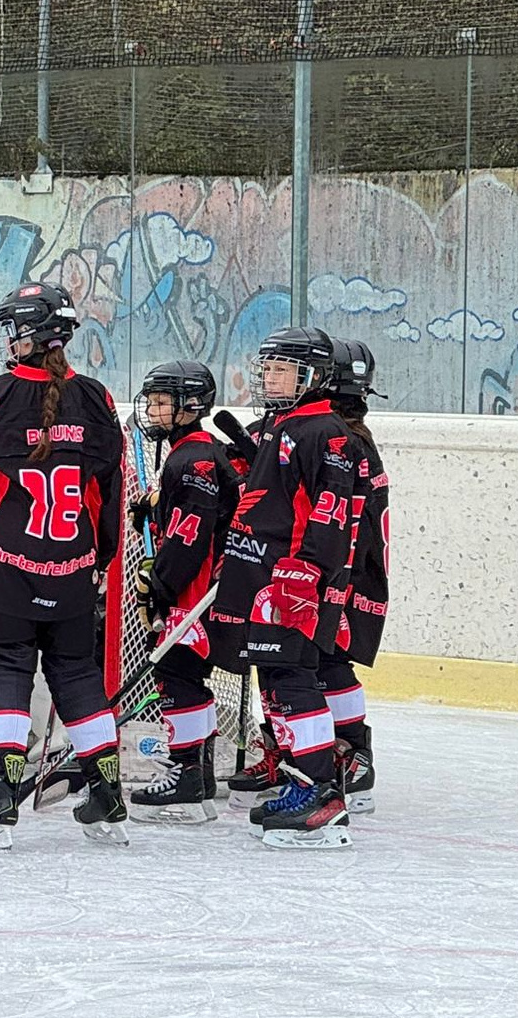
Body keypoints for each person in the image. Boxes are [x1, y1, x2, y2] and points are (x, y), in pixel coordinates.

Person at [0, 282, 126, 850]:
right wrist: (101, 556)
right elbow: (112, 488)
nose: (6, 340)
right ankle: (107, 790)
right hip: (72, 568)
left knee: (8, 668)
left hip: (6, 569)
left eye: (11, 329)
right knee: (75, 672)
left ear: (29, 333)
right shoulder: (97, 397)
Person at [214, 326, 358, 849]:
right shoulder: (287, 423)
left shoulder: (322, 429)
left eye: (281, 370)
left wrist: (305, 572)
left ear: (313, 375)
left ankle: (323, 795)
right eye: (267, 369)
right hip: (265, 575)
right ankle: (306, 783)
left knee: (293, 679)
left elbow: (331, 508)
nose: (269, 378)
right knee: (277, 680)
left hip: (291, 579)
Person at [125, 360, 239, 823]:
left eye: (161, 403)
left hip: (196, 595)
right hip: (204, 590)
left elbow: (190, 536)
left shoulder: (191, 460)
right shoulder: (198, 451)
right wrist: (153, 507)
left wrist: (159, 584)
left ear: (191, 406)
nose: (152, 411)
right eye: (150, 402)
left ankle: (187, 776)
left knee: (178, 677)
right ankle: (200, 774)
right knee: (188, 678)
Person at [320, 338, 386, 814]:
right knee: (324, 660)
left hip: (342, 570)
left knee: (326, 661)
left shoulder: (342, 439)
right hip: (355, 569)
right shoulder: (352, 433)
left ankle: (352, 755)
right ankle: (348, 753)